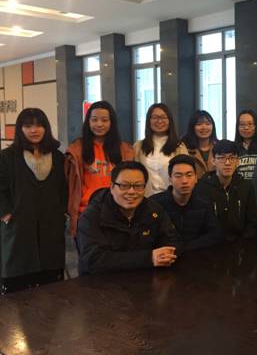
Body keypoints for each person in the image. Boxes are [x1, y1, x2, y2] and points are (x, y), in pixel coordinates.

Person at [0, 108, 67, 293]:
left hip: (50, 224)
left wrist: (61, 213)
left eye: (39, 125)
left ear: (46, 128)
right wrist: (5, 214)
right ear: (20, 129)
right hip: (18, 225)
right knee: (18, 283)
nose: (33, 130)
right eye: (28, 126)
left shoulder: (58, 157)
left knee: (51, 284)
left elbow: (63, 188)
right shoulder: (7, 157)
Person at [77, 161, 184, 275]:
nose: (131, 191)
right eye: (124, 186)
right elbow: (94, 260)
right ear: (112, 187)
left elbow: (174, 241)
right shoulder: (91, 216)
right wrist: (148, 258)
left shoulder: (154, 210)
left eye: (138, 186)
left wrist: (165, 254)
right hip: (101, 282)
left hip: (145, 278)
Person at [65, 101, 134, 236]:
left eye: (104, 120)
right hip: (86, 212)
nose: (99, 124)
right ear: (88, 122)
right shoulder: (77, 149)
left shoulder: (124, 150)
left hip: (117, 211)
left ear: (111, 122)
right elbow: (70, 183)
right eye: (94, 120)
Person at [151, 155, 224, 250]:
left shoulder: (204, 203)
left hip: (195, 254)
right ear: (170, 179)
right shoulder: (155, 204)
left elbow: (215, 234)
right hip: (165, 255)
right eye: (178, 176)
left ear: (196, 178)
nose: (184, 181)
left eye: (189, 175)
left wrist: (185, 247)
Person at [196, 140, 257, 240]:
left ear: (238, 161)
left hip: (240, 243)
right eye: (221, 158)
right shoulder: (202, 187)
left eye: (232, 158)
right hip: (212, 244)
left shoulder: (246, 186)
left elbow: (252, 222)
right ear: (213, 161)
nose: (227, 163)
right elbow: (199, 224)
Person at [134, 103, 188, 196]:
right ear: (149, 120)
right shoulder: (139, 146)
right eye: (155, 117)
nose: (159, 121)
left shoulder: (179, 147)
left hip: (172, 198)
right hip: (146, 198)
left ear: (169, 120)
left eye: (163, 117)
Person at [181, 110, 217, 179]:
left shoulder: (219, 147)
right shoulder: (184, 148)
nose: (204, 127)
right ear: (192, 127)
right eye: (199, 124)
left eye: (207, 124)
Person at [234, 109, 257, 180]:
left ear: (256, 126)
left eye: (250, 124)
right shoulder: (233, 148)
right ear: (237, 127)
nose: (246, 128)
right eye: (242, 124)